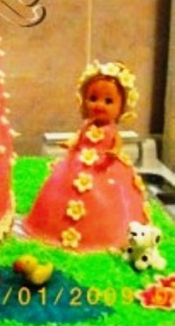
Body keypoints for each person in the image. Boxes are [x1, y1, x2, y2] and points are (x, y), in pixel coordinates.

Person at [23, 60, 149, 251]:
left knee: (112, 202)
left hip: (105, 166)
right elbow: (78, 137)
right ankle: (52, 228)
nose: (99, 105)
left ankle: (106, 235)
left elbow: (117, 143)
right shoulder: (87, 125)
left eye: (108, 101)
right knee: (60, 192)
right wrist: (71, 143)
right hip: (77, 164)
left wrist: (114, 152)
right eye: (93, 98)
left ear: (121, 107)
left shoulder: (111, 130)